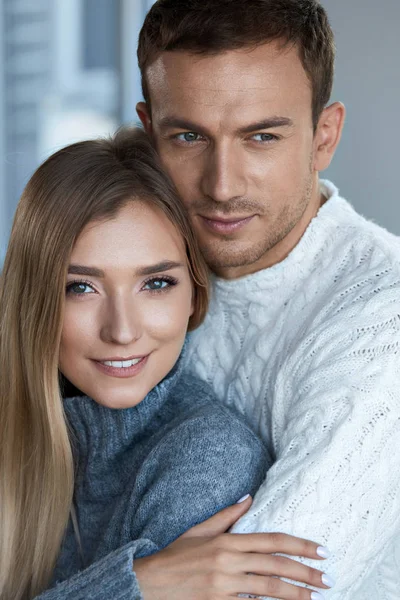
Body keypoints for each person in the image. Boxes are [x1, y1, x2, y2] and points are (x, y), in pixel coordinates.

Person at [134, 0, 400, 598]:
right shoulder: (136, 265)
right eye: (188, 136)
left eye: (261, 137)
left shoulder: (384, 330)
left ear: (322, 137)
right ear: (150, 133)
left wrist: (134, 584)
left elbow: (264, 593)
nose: (222, 185)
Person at [0, 128, 333, 600]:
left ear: (194, 295)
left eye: (156, 284)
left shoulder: (207, 464)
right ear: (34, 300)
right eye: (81, 287)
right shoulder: (16, 431)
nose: (122, 330)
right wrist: (138, 584)